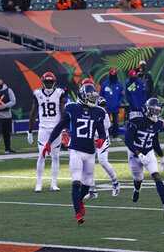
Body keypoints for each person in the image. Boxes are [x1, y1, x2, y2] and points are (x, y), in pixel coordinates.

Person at [41, 83, 106, 225]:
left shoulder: (98, 112)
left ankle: (79, 201)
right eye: (90, 97)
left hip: (90, 152)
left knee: (87, 184)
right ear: (83, 96)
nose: (93, 99)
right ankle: (78, 213)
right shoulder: (72, 109)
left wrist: (102, 139)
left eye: (93, 97)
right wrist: (49, 142)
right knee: (76, 181)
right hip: (76, 150)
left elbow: (102, 131)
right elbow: (59, 127)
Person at [125, 97, 164, 218]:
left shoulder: (157, 124)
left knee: (156, 176)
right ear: (147, 109)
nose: (156, 113)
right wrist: (138, 154)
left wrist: (161, 156)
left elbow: (155, 142)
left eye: (158, 110)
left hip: (149, 152)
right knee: (138, 178)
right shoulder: (137, 121)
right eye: (154, 110)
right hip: (135, 153)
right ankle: (136, 189)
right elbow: (128, 141)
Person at [28, 72, 65, 192]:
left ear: (54, 82)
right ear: (43, 82)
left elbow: (62, 111)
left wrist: (63, 127)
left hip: (56, 129)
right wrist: (30, 131)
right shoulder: (37, 94)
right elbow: (33, 113)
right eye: (47, 82)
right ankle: (39, 183)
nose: (49, 84)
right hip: (43, 128)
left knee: (55, 157)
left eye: (50, 82)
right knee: (41, 155)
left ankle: (53, 183)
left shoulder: (59, 93)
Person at [84, 97, 120, 200]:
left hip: (102, 138)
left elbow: (107, 126)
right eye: (101, 104)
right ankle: (92, 190)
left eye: (103, 105)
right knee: (87, 164)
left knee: (102, 161)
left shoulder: (102, 112)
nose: (103, 107)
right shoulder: (86, 110)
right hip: (90, 139)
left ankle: (115, 183)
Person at [100, 68, 123, 140]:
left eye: (114, 75)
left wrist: (118, 102)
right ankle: (106, 136)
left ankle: (115, 136)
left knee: (116, 122)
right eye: (112, 75)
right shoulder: (104, 84)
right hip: (106, 107)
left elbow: (121, 95)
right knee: (106, 122)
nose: (113, 76)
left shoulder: (119, 84)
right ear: (109, 75)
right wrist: (103, 105)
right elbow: (101, 95)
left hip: (115, 107)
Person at [0, 77, 16, 153]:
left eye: (0, 83)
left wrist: (5, 105)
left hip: (7, 116)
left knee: (7, 133)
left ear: (3, 82)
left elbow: (13, 101)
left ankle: (7, 149)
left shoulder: (8, 90)